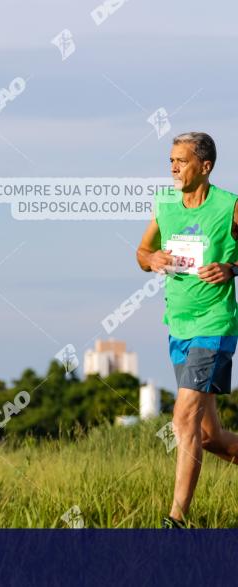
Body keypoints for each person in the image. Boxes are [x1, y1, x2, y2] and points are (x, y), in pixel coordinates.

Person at [136, 131, 238, 528]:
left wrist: (231, 268)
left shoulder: (229, 207)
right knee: (209, 437)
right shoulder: (165, 205)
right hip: (177, 327)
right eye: (171, 161)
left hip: (215, 327)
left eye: (181, 161)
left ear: (205, 167)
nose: (174, 168)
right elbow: (141, 253)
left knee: (183, 420)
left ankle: (175, 521)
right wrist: (152, 257)